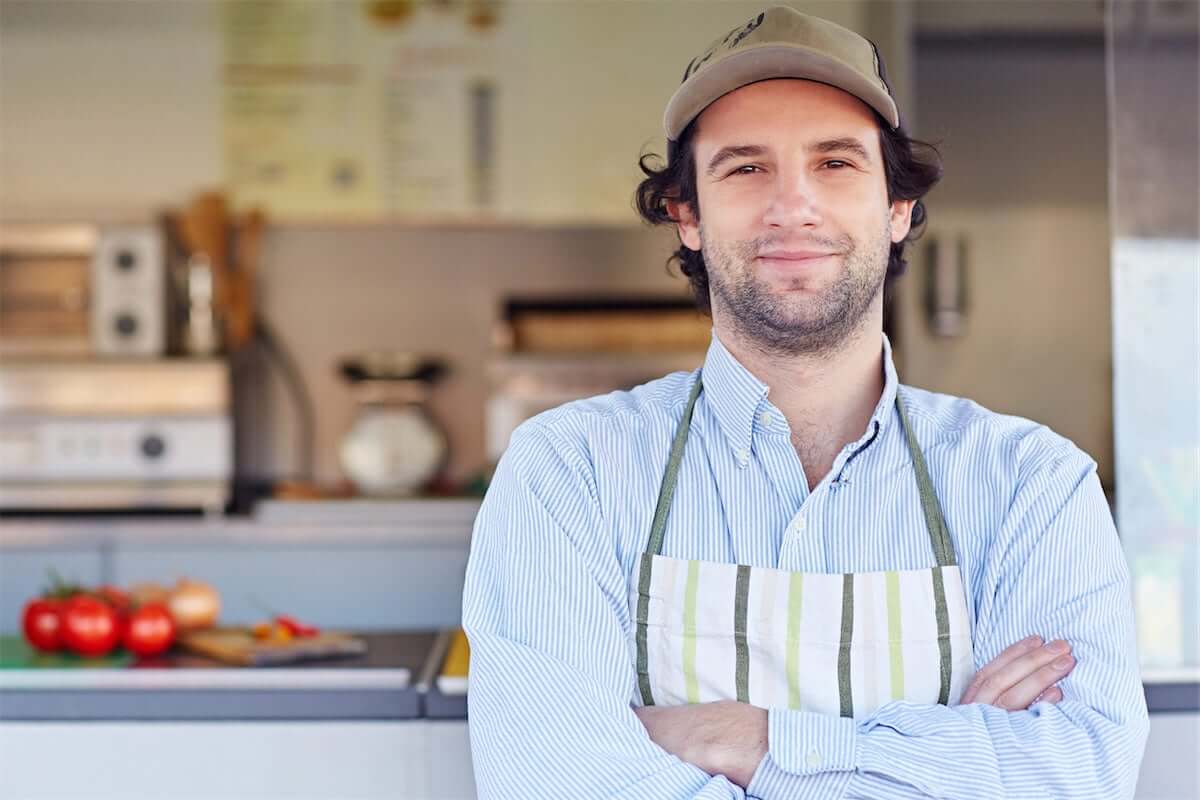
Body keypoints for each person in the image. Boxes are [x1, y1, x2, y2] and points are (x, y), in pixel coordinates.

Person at [462, 6, 1149, 798]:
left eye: (835, 163)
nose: (793, 205)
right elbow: (560, 785)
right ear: (687, 214)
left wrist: (753, 740)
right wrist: (949, 755)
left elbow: (1079, 776)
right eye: (745, 168)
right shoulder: (570, 474)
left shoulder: (1032, 485)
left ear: (898, 209)